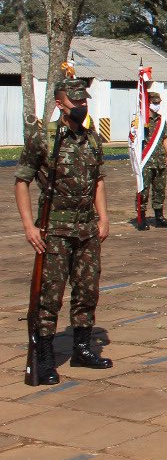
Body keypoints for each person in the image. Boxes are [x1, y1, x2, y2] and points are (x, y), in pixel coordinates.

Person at [14, 77, 113, 384]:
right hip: (54, 230)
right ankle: (43, 356)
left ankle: (82, 348)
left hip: (86, 228)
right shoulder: (44, 137)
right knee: (49, 295)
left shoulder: (91, 138)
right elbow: (22, 181)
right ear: (60, 104)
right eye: (76, 102)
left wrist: (104, 217)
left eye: (84, 101)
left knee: (87, 290)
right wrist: (30, 226)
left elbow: (97, 180)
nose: (82, 106)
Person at [137, 90, 167, 229]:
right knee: (143, 190)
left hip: (159, 160)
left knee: (159, 189)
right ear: (147, 103)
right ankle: (141, 218)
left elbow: (165, 137)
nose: (157, 105)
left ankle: (159, 217)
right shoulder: (140, 121)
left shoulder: (161, 120)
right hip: (145, 161)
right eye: (154, 103)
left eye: (158, 103)